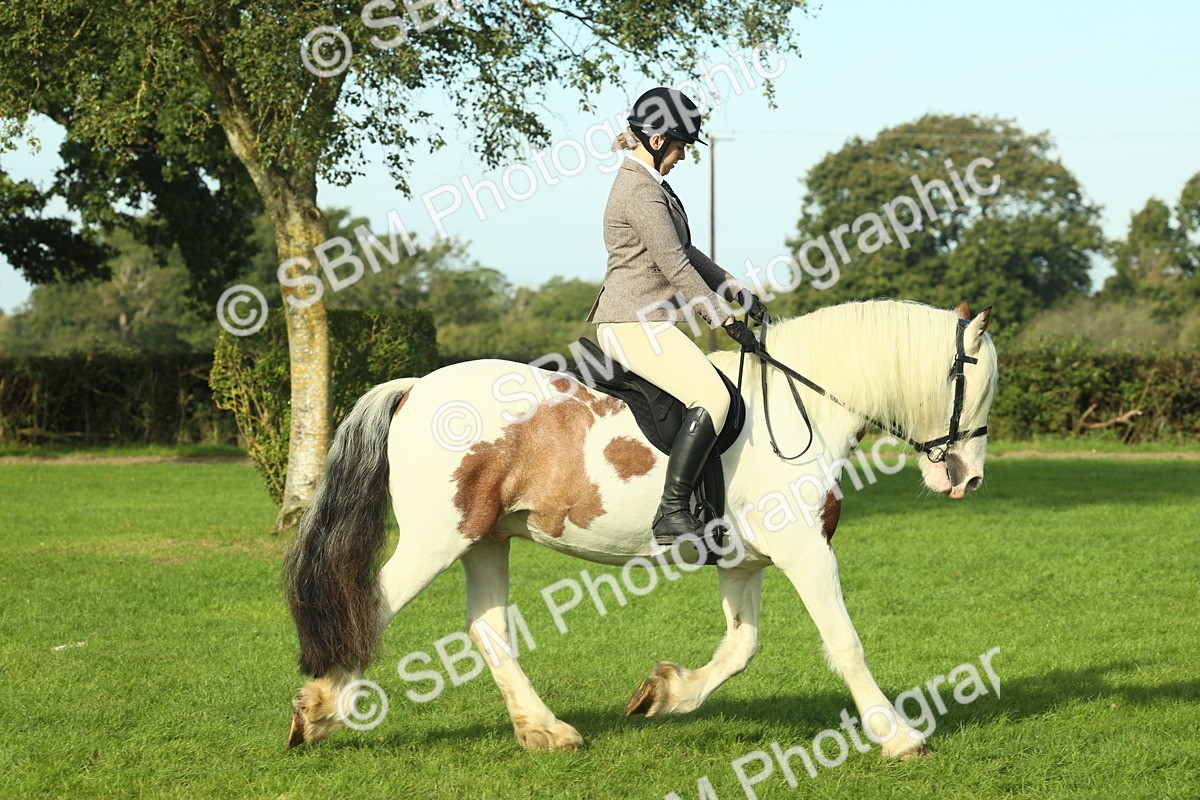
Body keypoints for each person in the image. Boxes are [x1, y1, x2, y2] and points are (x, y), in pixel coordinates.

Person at [585, 87, 765, 545]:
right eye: (682, 145)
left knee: (715, 393)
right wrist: (724, 320)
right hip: (632, 323)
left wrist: (736, 290)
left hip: (648, 322)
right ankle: (671, 510)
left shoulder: (654, 187)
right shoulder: (640, 192)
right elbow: (675, 266)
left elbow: (687, 252)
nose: (685, 155)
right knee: (715, 397)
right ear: (659, 139)